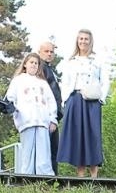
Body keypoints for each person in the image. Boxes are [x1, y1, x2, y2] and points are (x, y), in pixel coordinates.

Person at [56, 29, 108, 178]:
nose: (83, 41)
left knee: (93, 135)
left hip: (92, 101)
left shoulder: (98, 60)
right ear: (77, 41)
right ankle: (80, 176)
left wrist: (101, 98)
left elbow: (105, 81)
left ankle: (94, 176)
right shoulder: (71, 61)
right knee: (77, 135)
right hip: (75, 99)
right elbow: (65, 82)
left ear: (90, 41)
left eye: (86, 39)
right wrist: (66, 100)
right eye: (81, 39)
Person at [6, 52, 58, 177]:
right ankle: (26, 177)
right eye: (31, 62)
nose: (34, 65)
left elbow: (51, 101)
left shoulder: (42, 83)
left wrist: (53, 119)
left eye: (36, 63)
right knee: (27, 152)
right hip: (26, 120)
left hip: (42, 121)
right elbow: (10, 97)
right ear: (25, 64)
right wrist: (11, 108)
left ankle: (45, 177)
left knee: (43, 152)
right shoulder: (18, 81)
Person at [37, 39, 63, 174]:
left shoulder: (50, 69)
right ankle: (48, 179)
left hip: (54, 116)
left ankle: (54, 179)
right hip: (45, 116)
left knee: (54, 150)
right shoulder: (40, 69)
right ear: (39, 52)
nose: (49, 54)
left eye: (51, 52)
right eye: (46, 51)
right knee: (47, 151)